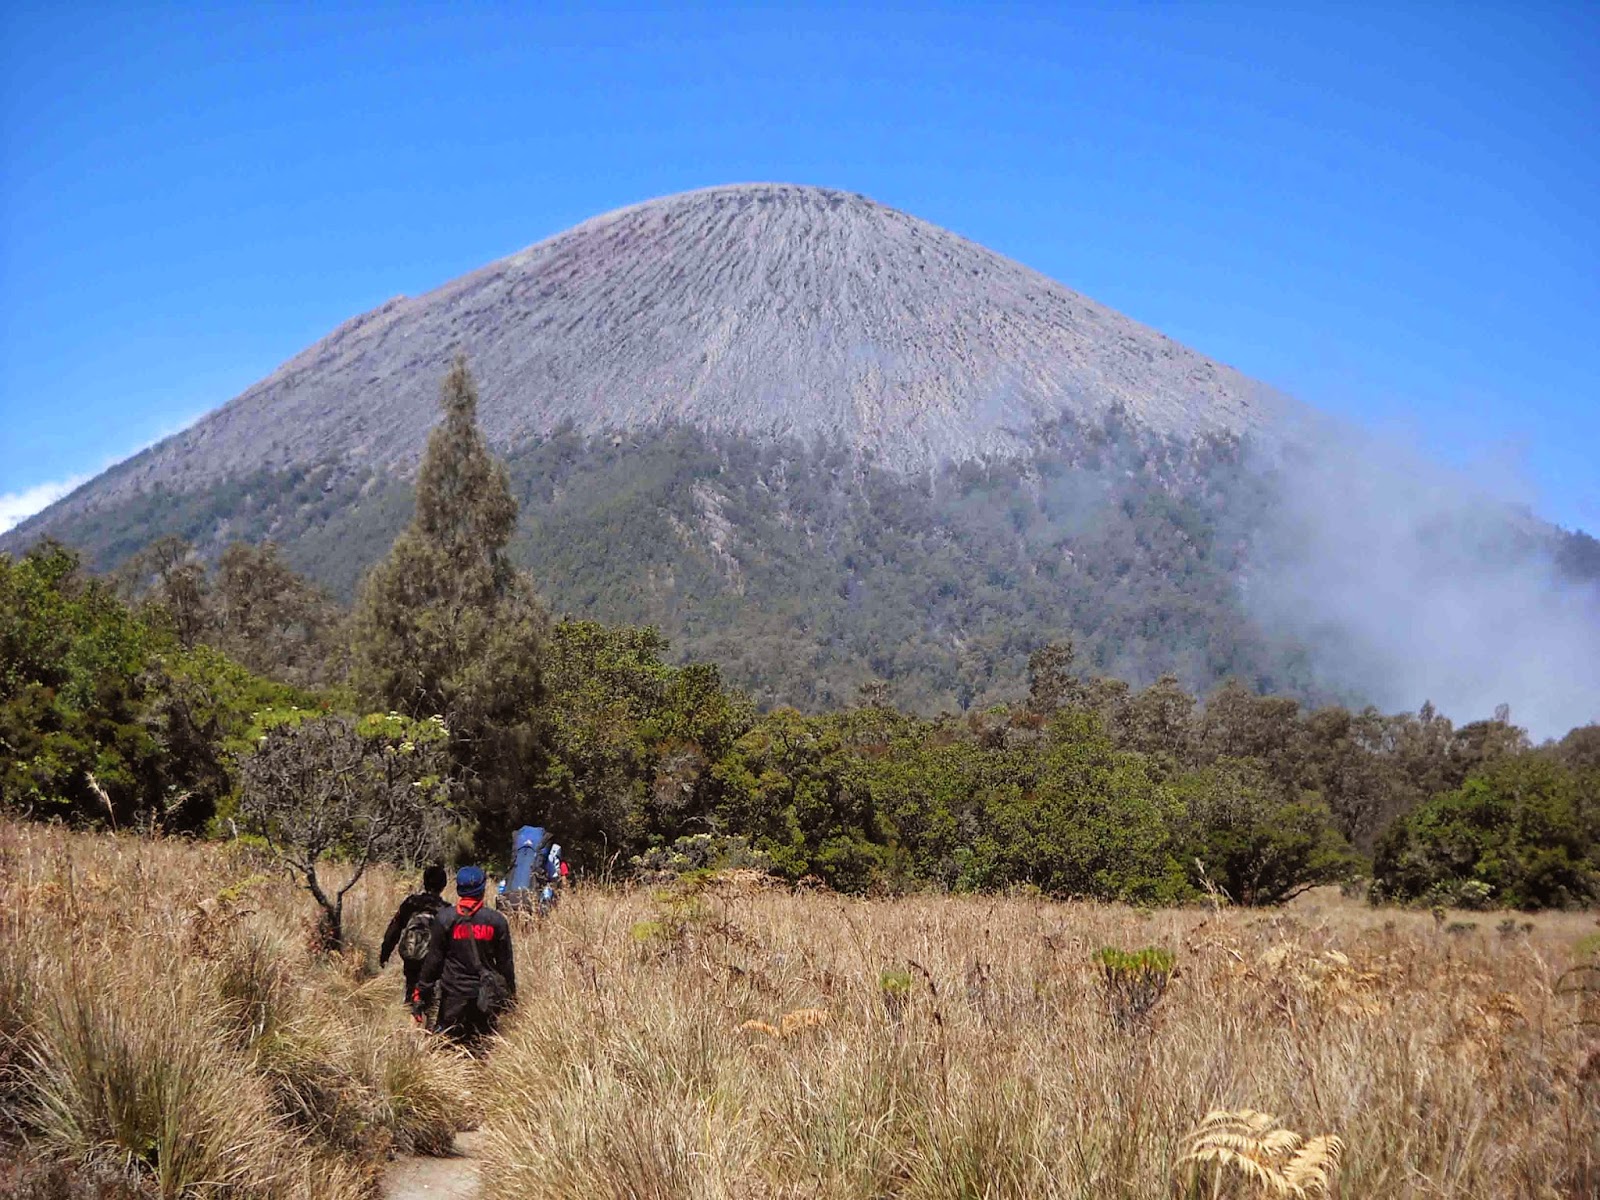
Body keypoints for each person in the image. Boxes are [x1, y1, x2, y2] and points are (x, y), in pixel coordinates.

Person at [414, 865, 516, 1048]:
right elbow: (505, 963)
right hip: (485, 997)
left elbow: (434, 961)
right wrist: (510, 996)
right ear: (483, 889)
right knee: (483, 1048)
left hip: (453, 996)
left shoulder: (445, 918)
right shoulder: (496, 921)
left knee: (448, 1047)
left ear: (459, 889)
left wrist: (421, 993)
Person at [378, 864, 451, 1008]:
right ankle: (426, 1020)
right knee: (431, 995)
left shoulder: (411, 903)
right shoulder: (446, 910)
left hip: (412, 955)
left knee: (411, 988)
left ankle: (409, 1016)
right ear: (443, 885)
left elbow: (394, 929)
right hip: (433, 961)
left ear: (424, 882)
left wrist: (385, 953)